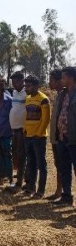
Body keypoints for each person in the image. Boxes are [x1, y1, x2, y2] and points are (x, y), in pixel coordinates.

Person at [22, 75, 50, 198]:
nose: (26, 88)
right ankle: (30, 187)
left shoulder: (44, 99)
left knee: (41, 164)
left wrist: (39, 134)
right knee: (31, 163)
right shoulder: (27, 99)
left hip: (39, 137)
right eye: (25, 86)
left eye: (28, 86)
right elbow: (27, 116)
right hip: (28, 136)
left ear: (36, 86)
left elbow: (46, 119)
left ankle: (41, 191)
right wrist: (25, 130)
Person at [53, 66, 76, 206]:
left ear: (71, 78)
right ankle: (66, 196)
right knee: (65, 169)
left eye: (63, 77)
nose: (61, 80)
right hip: (62, 138)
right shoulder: (62, 94)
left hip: (74, 139)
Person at [48, 69, 66, 200]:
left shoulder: (66, 95)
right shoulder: (59, 95)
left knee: (63, 165)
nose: (49, 83)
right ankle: (59, 191)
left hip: (63, 137)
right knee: (58, 164)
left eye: (52, 80)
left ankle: (63, 192)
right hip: (55, 136)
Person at [8, 71, 27, 190]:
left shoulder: (27, 93)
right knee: (15, 155)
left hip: (22, 130)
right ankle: (20, 177)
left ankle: (20, 182)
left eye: (16, 82)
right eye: (13, 82)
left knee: (22, 156)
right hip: (13, 129)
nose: (14, 85)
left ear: (22, 81)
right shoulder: (14, 92)